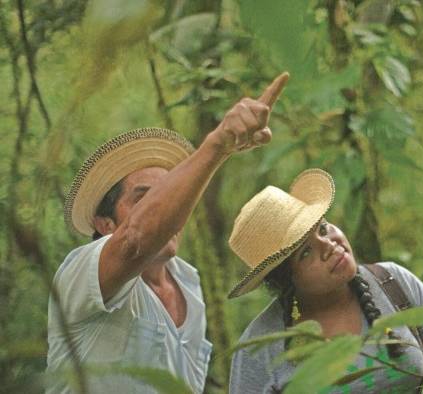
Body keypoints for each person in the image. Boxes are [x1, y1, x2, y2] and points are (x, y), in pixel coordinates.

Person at [46, 73, 290, 393]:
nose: (167, 209)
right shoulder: (81, 273)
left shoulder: (189, 284)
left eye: (169, 196)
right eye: (143, 198)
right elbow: (136, 239)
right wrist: (219, 144)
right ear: (105, 225)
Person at [228, 169, 423, 393]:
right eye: (305, 252)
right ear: (287, 280)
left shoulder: (393, 282)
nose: (329, 245)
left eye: (323, 228)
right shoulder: (260, 346)